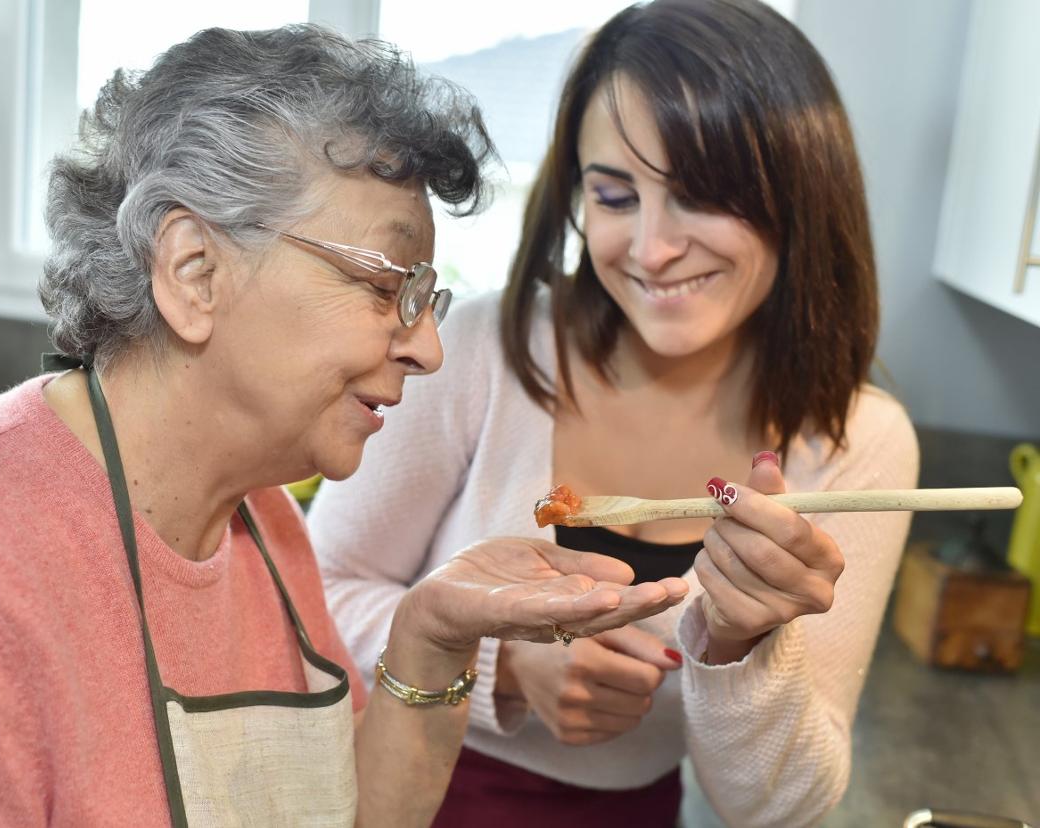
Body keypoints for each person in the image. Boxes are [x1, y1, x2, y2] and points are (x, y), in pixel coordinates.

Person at [0, 25, 691, 827]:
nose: (428, 349)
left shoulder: (264, 523)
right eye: (387, 286)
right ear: (194, 272)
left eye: (426, 297)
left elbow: (352, 812)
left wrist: (432, 631)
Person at [306, 1, 919, 826]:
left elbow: (780, 807)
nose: (653, 248)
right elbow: (314, 598)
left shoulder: (859, 440)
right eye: (616, 196)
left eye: (703, 196)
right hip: (398, 790)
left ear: (801, 193)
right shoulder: (482, 348)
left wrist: (739, 647)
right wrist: (505, 667)